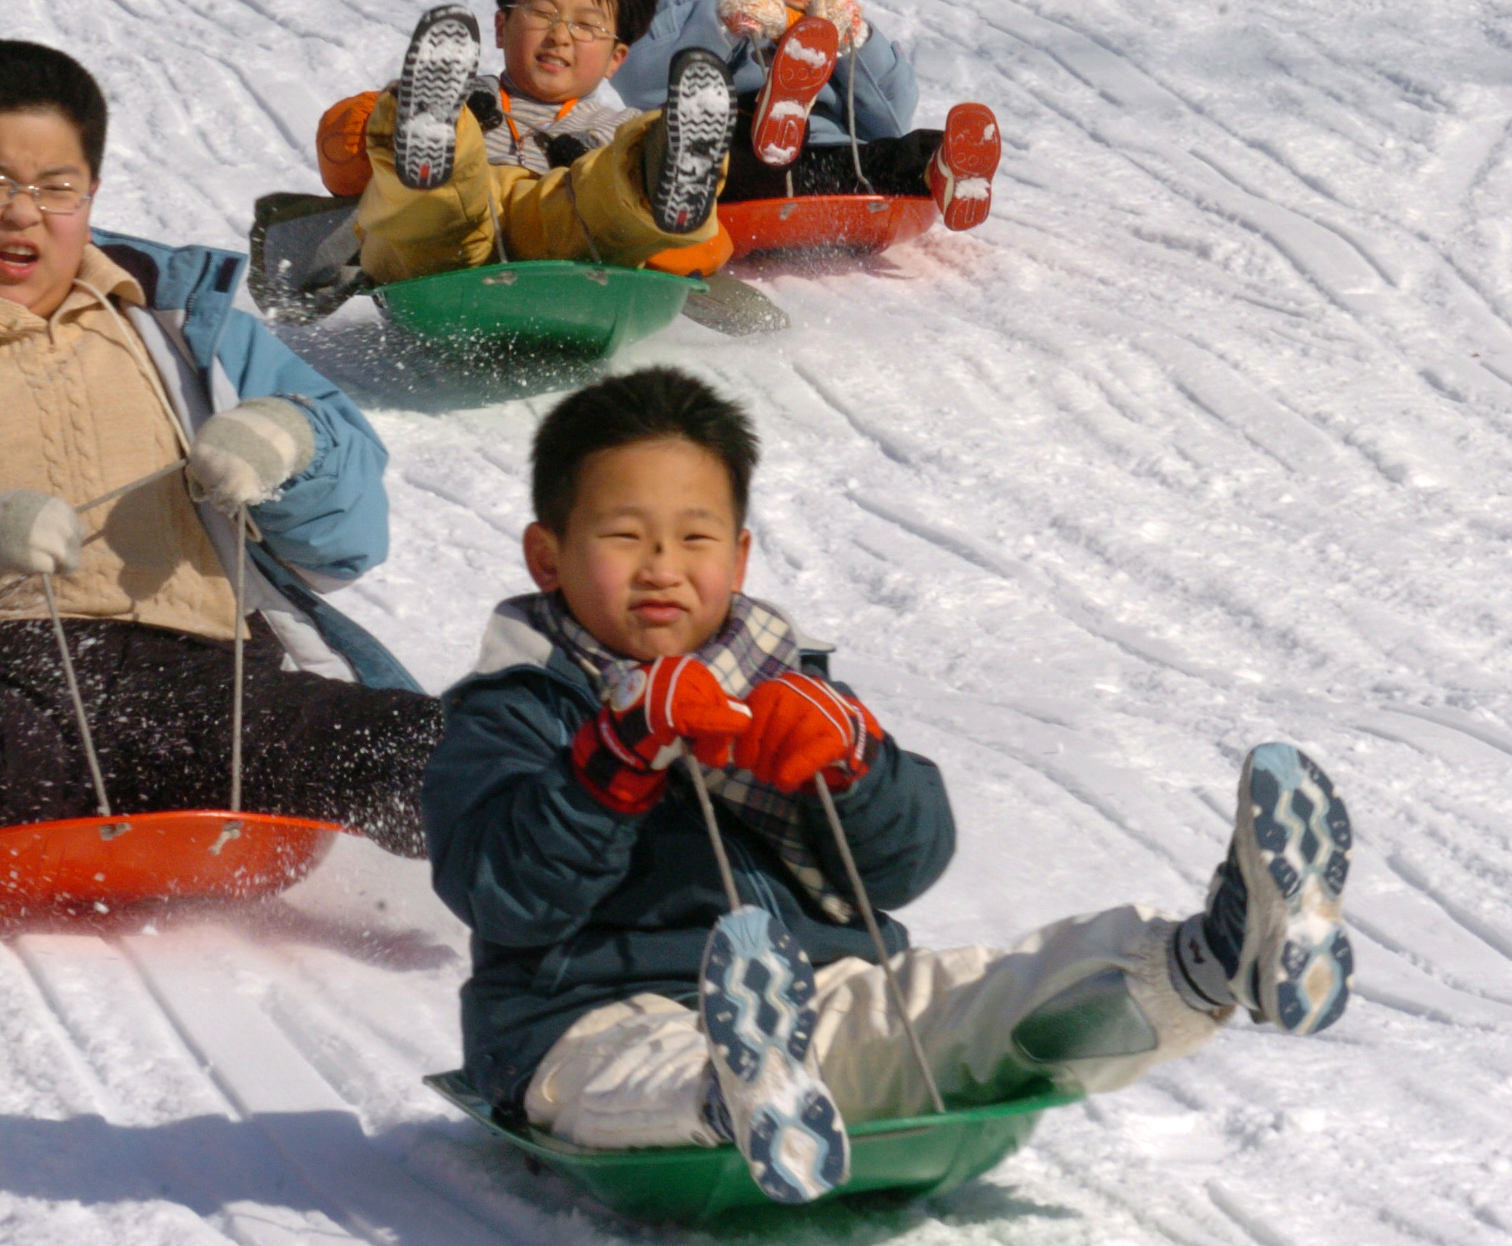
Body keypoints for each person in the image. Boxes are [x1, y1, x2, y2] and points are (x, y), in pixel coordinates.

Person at [422, 367, 1354, 1203]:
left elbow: (906, 864)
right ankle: (733, 1096)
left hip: (821, 997)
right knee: (628, 1072)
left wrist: (854, 767)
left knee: (968, 999)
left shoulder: (783, 692)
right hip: (585, 1017)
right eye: (624, 536)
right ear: (547, 557)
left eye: (694, 536)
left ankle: (1210, 960)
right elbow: (504, 892)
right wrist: (616, 755)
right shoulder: (516, 706)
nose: (663, 565)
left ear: (739, 558)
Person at [0, 39, 442, 856]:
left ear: (90, 196)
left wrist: (293, 445)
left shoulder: (196, 344)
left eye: (56, 188)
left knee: (405, 743)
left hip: (213, 685)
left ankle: (556, 836)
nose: (25, 212)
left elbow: (352, 540)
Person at [311, 0, 735, 286]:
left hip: (564, 247)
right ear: (500, 26)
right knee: (427, 204)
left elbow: (703, 249)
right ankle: (424, 144)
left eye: (587, 26)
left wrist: (666, 221)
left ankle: (658, 174)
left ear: (616, 59)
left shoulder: (615, 131)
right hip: (442, 258)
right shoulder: (457, 97)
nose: (560, 35)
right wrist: (373, 120)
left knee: (608, 191)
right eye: (541, 13)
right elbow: (345, 169)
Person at [609, 0, 1002, 231]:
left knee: (908, 151)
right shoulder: (688, 11)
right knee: (705, 147)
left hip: (823, 168)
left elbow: (891, 117)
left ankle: (942, 171)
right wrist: (722, 24)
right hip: (729, 170)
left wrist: (855, 44)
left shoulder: (823, 28)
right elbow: (639, 80)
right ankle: (768, 115)